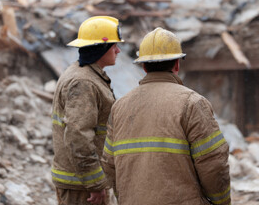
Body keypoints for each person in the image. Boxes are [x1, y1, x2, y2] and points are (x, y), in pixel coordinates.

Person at [102, 27, 231, 205]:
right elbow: (213, 164)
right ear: (177, 64)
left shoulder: (119, 107)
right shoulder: (192, 103)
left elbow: (109, 166)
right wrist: (222, 201)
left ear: (144, 66)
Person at [51, 16, 123, 205]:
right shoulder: (84, 82)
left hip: (82, 182)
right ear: (100, 49)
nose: (118, 50)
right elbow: (78, 136)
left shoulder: (87, 75)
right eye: (114, 45)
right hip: (82, 187)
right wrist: (94, 183)